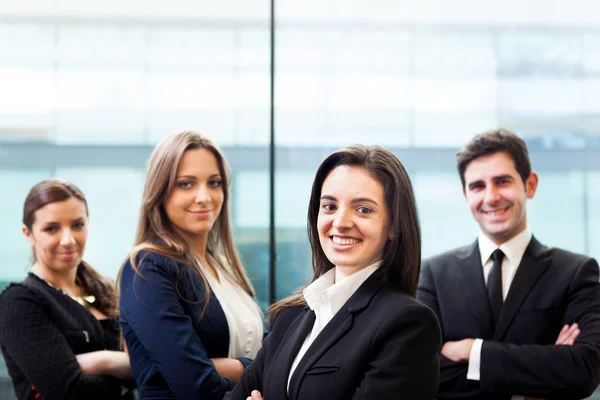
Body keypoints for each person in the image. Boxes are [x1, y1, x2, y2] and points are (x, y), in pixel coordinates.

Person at [226, 144, 442, 400]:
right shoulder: (290, 317)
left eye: (363, 209)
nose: (340, 223)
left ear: (394, 225)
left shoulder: (407, 324)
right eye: (329, 206)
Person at [417, 129, 600, 399]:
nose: (490, 197)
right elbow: (420, 374)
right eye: (477, 186)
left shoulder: (576, 272)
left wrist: (473, 352)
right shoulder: (432, 274)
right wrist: (540, 379)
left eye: (502, 181)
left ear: (530, 185)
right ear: (465, 195)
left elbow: (583, 370)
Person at [118, 130, 264, 399]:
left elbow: (271, 353)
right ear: (160, 192)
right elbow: (193, 384)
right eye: (186, 184)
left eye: (214, 183)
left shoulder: (221, 267)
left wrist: (237, 369)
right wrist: (251, 372)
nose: (204, 197)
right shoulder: (147, 268)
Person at [0, 179, 134, 400]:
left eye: (77, 225)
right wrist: (123, 371)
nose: (68, 240)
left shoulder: (108, 290)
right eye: (51, 229)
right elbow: (69, 392)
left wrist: (100, 361)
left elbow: (155, 362)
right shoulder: (19, 303)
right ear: (28, 233)